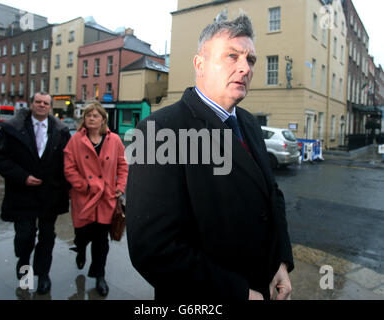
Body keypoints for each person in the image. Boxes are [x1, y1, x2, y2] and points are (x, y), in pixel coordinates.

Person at [126, 13, 294, 301]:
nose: (245, 68)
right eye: (232, 56)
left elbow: (272, 195)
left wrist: (280, 260)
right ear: (199, 64)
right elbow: (154, 249)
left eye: (250, 60)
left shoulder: (250, 124)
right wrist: (238, 294)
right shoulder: (160, 131)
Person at [0, 92, 71, 295]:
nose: (42, 105)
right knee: (25, 236)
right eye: (38, 102)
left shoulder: (61, 131)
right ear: (31, 104)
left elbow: (69, 161)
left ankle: (43, 275)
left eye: (46, 103)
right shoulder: (12, 128)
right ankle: (24, 265)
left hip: (50, 194)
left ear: (51, 107)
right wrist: (22, 176)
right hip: (22, 193)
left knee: (47, 237)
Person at [63, 102, 128, 296]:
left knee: (101, 241)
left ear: (103, 120)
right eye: (88, 115)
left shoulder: (114, 140)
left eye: (95, 115)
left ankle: (99, 275)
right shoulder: (76, 140)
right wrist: (83, 185)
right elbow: (69, 166)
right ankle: (81, 249)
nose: (91, 118)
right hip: (84, 197)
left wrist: (119, 187)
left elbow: (122, 166)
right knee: (82, 234)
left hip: (106, 198)